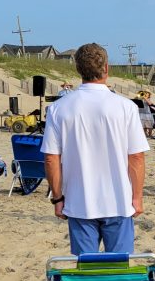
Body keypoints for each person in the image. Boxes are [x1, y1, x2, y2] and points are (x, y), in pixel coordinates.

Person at [42, 43, 149, 255]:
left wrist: (58, 197)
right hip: (119, 200)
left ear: (78, 69)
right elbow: (136, 157)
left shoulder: (59, 108)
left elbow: (51, 158)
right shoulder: (125, 106)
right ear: (106, 68)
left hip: (79, 201)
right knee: (118, 271)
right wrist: (137, 197)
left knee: (87, 272)